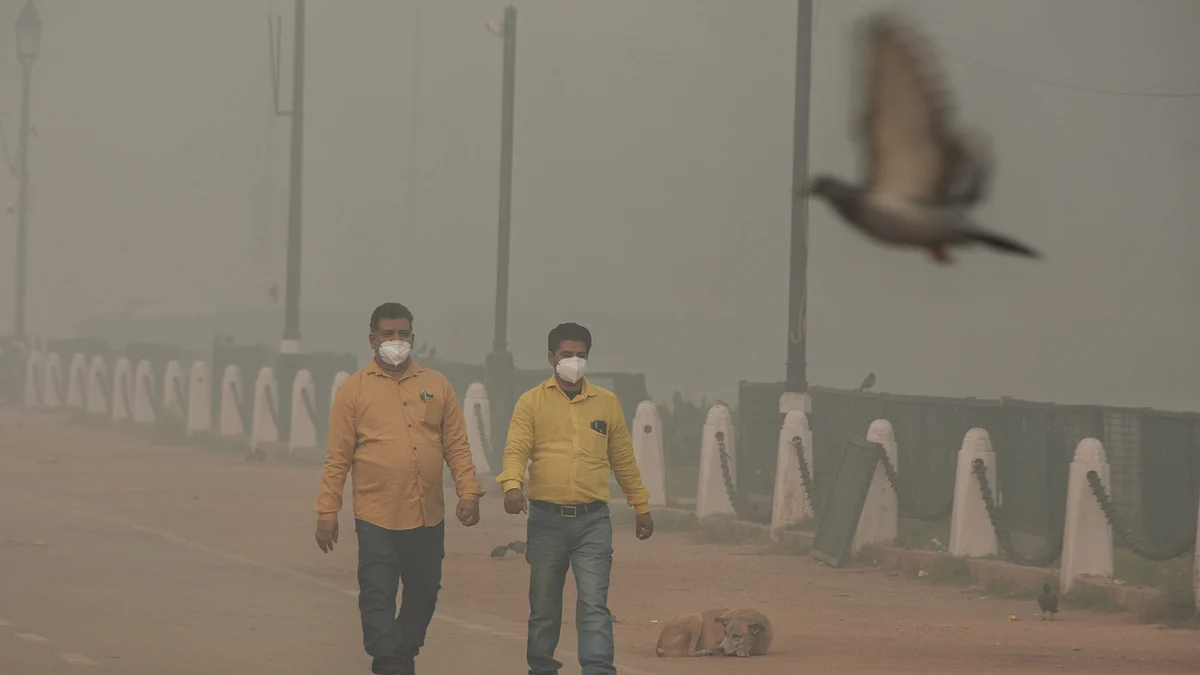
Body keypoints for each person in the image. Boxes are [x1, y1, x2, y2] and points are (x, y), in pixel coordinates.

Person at [313, 302, 485, 675]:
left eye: (403, 333)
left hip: (427, 514)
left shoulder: (437, 385)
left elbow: (456, 446)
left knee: (424, 591)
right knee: (377, 591)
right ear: (372, 339)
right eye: (388, 334)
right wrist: (327, 511)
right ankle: (388, 659)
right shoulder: (353, 390)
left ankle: (403, 653)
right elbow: (338, 457)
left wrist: (468, 492)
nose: (396, 340)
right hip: (376, 514)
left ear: (413, 337)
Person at [498, 322, 654, 675]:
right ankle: (542, 668)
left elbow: (623, 459)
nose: (573, 361)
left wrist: (641, 505)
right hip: (546, 520)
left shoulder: (607, 403)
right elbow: (517, 448)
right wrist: (511, 486)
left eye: (580, 355)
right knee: (544, 606)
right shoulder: (531, 402)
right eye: (566, 354)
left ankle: (598, 668)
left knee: (594, 603)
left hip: (592, 521)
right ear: (551, 357)